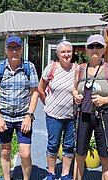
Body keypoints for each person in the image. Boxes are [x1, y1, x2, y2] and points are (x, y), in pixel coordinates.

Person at [0, 36, 39, 180]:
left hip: (23, 117)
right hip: (4, 117)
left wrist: (29, 116)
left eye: (17, 48)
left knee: (25, 152)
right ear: (6, 50)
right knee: (5, 151)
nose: (14, 52)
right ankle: (7, 178)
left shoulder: (29, 67)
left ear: (22, 49)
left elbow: (35, 92)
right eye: (11, 48)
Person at [72, 34, 108, 180]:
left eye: (98, 46)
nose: (95, 49)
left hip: (103, 116)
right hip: (84, 115)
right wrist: (76, 96)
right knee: (80, 154)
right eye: (91, 46)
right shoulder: (80, 69)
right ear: (86, 50)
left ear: (104, 49)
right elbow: (74, 89)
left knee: (104, 155)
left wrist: (105, 99)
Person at [38, 39, 76, 180]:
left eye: (68, 51)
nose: (66, 55)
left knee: (69, 145)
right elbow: (40, 88)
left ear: (72, 53)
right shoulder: (51, 68)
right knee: (53, 144)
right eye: (63, 52)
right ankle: (51, 173)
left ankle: (65, 174)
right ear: (58, 54)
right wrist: (47, 102)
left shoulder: (77, 69)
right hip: (53, 115)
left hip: (71, 115)